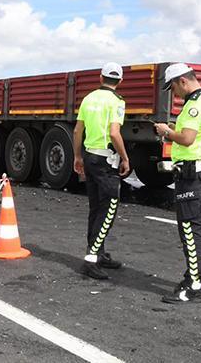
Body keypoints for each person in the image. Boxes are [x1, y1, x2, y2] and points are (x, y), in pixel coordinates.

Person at [154, 63, 201, 304]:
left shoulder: (194, 105)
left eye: (173, 87)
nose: (174, 93)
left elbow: (187, 139)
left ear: (182, 80)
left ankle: (192, 287)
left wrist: (166, 131)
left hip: (191, 175)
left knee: (190, 231)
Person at [73, 62, 131, 280]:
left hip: (90, 156)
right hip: (107, 162)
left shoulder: (89, 98)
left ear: (100, 78)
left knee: (96, 208)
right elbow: (115, 133)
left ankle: (100, 253)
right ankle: (91, 259)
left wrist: (78, 156)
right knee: (108, 210)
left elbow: (78, 129)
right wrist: (125, 157)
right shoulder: (117, 101)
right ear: (120, 81)